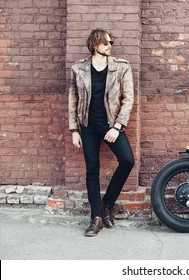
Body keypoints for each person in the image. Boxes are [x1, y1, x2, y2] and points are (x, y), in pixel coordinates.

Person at [68, 28, 135, 237]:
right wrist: (74, 130)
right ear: (95, 45)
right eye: (106, 43)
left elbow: (128, 99)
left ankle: (107, 204)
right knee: (92, 169)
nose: (110, 46)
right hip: (87, 126)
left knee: (127, 160)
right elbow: (73, 100)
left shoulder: (121, 68)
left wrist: (117, 127)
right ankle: (96, 217)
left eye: (111, 42)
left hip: (110, 124)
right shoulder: (78, 69)